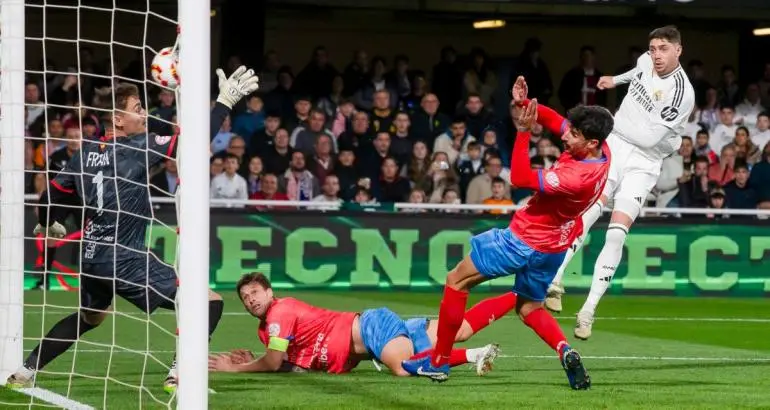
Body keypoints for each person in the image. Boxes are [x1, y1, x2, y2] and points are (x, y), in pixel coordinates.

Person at [5, 66, 260, 393]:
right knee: (208, 302)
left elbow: (50, 194)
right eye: (138, 109)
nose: (145, 114)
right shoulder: (137, 146)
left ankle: (26, 370)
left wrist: (46, 221)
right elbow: (193, 143)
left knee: (89, 318)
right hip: (125, 258)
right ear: (117, 119)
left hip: (92, 257)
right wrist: (224, 102)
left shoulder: (83, 155)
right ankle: (179, 374)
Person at [400, 76, 614, 390]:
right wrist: (525, 104)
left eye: (575, 135)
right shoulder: (601, 149)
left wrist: (524, 132)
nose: (566, 138)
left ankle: (438, 362)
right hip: (555, 246)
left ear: (591, 141)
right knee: (529, 308)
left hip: (525, 240)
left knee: (455, 280)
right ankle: (565, 350)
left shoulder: (575, 176)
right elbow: (555, 121)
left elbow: (519, 177)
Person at [544, 26, 696, 341]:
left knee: (616, 233)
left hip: (644, 160)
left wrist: (610, 123)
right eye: (653, 48)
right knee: (586, 212)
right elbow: (637, 71)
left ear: (678, 50)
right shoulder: (645, 61)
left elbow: (651, 138)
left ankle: (588, 311)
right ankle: (555, 281)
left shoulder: (682, 93)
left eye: (664, 48)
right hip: (616, 148)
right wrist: (615, 80)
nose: (656, 55)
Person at [208, 273, 511, 377]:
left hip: (371, 329)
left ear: (270, 292)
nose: (250, 300)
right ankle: (520, 294)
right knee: (458, 330)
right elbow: (287, 364)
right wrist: (256, 361)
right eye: (245, 298)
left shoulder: (280, 311)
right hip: (377, 336)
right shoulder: (268, 329)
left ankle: (474, 355)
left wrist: (235, 368)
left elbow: (274, 362)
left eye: (255, 293)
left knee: (403, 368)